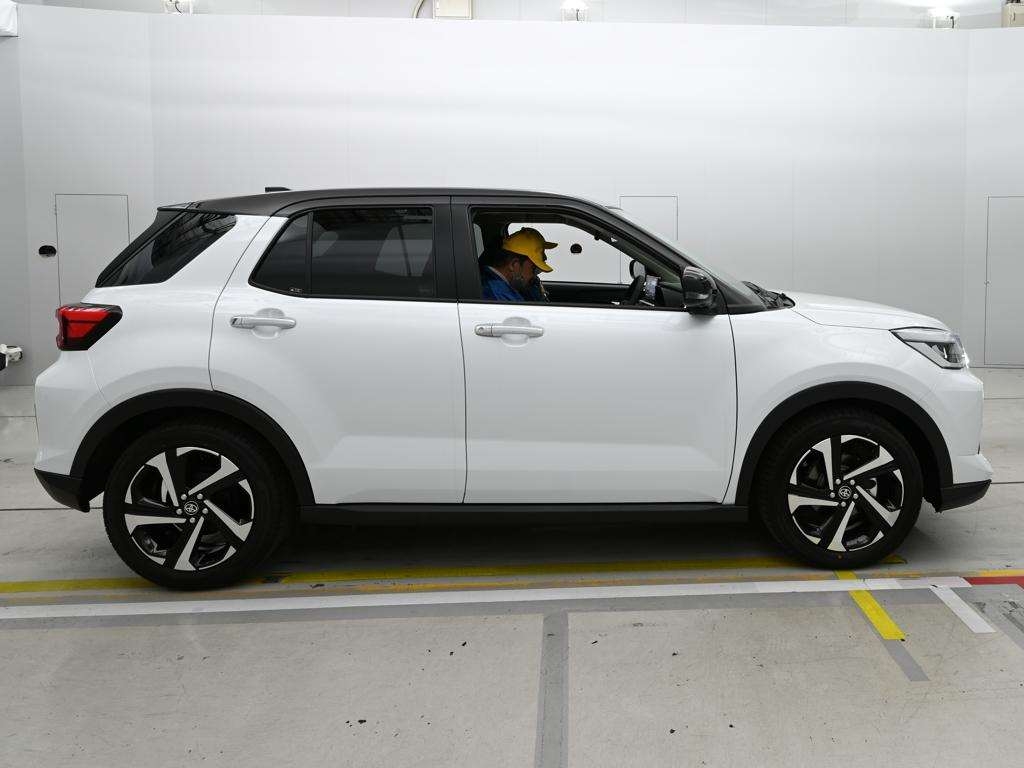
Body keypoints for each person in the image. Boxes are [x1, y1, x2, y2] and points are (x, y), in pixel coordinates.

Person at [480, 227, 556, 302]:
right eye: (533, 269)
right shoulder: (500, 295)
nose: (533, 276)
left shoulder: (493, 282)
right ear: (514, 265)